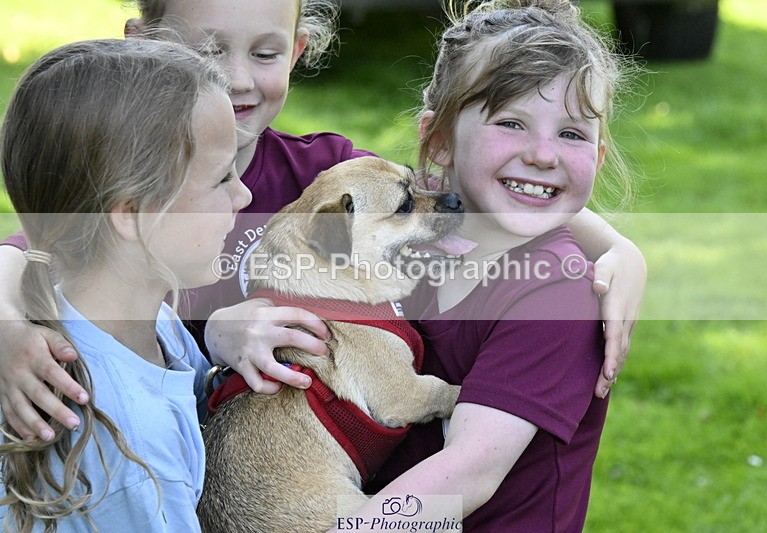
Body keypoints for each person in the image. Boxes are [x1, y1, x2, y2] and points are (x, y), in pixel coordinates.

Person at [0, 0, 645, 443]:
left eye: (265, 52)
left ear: (299, 49)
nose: (236, 78)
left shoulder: (326, 172)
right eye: (207, 51)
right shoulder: (131, 193)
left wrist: (618, 247)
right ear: (145, 48)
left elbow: (453, 185)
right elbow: (29, 251)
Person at [348, 1, 636, 531]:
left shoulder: (558, 294)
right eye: (511, 123)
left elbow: (469, 471)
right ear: (440, 141)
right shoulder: (407, 239)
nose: (544, 155)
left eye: (571, 134)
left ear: (596, 158)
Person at [0, 39, 252, 531]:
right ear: (134, 216)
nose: (244, 194)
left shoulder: (136, 318)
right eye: (223, 178)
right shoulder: (134, 455)